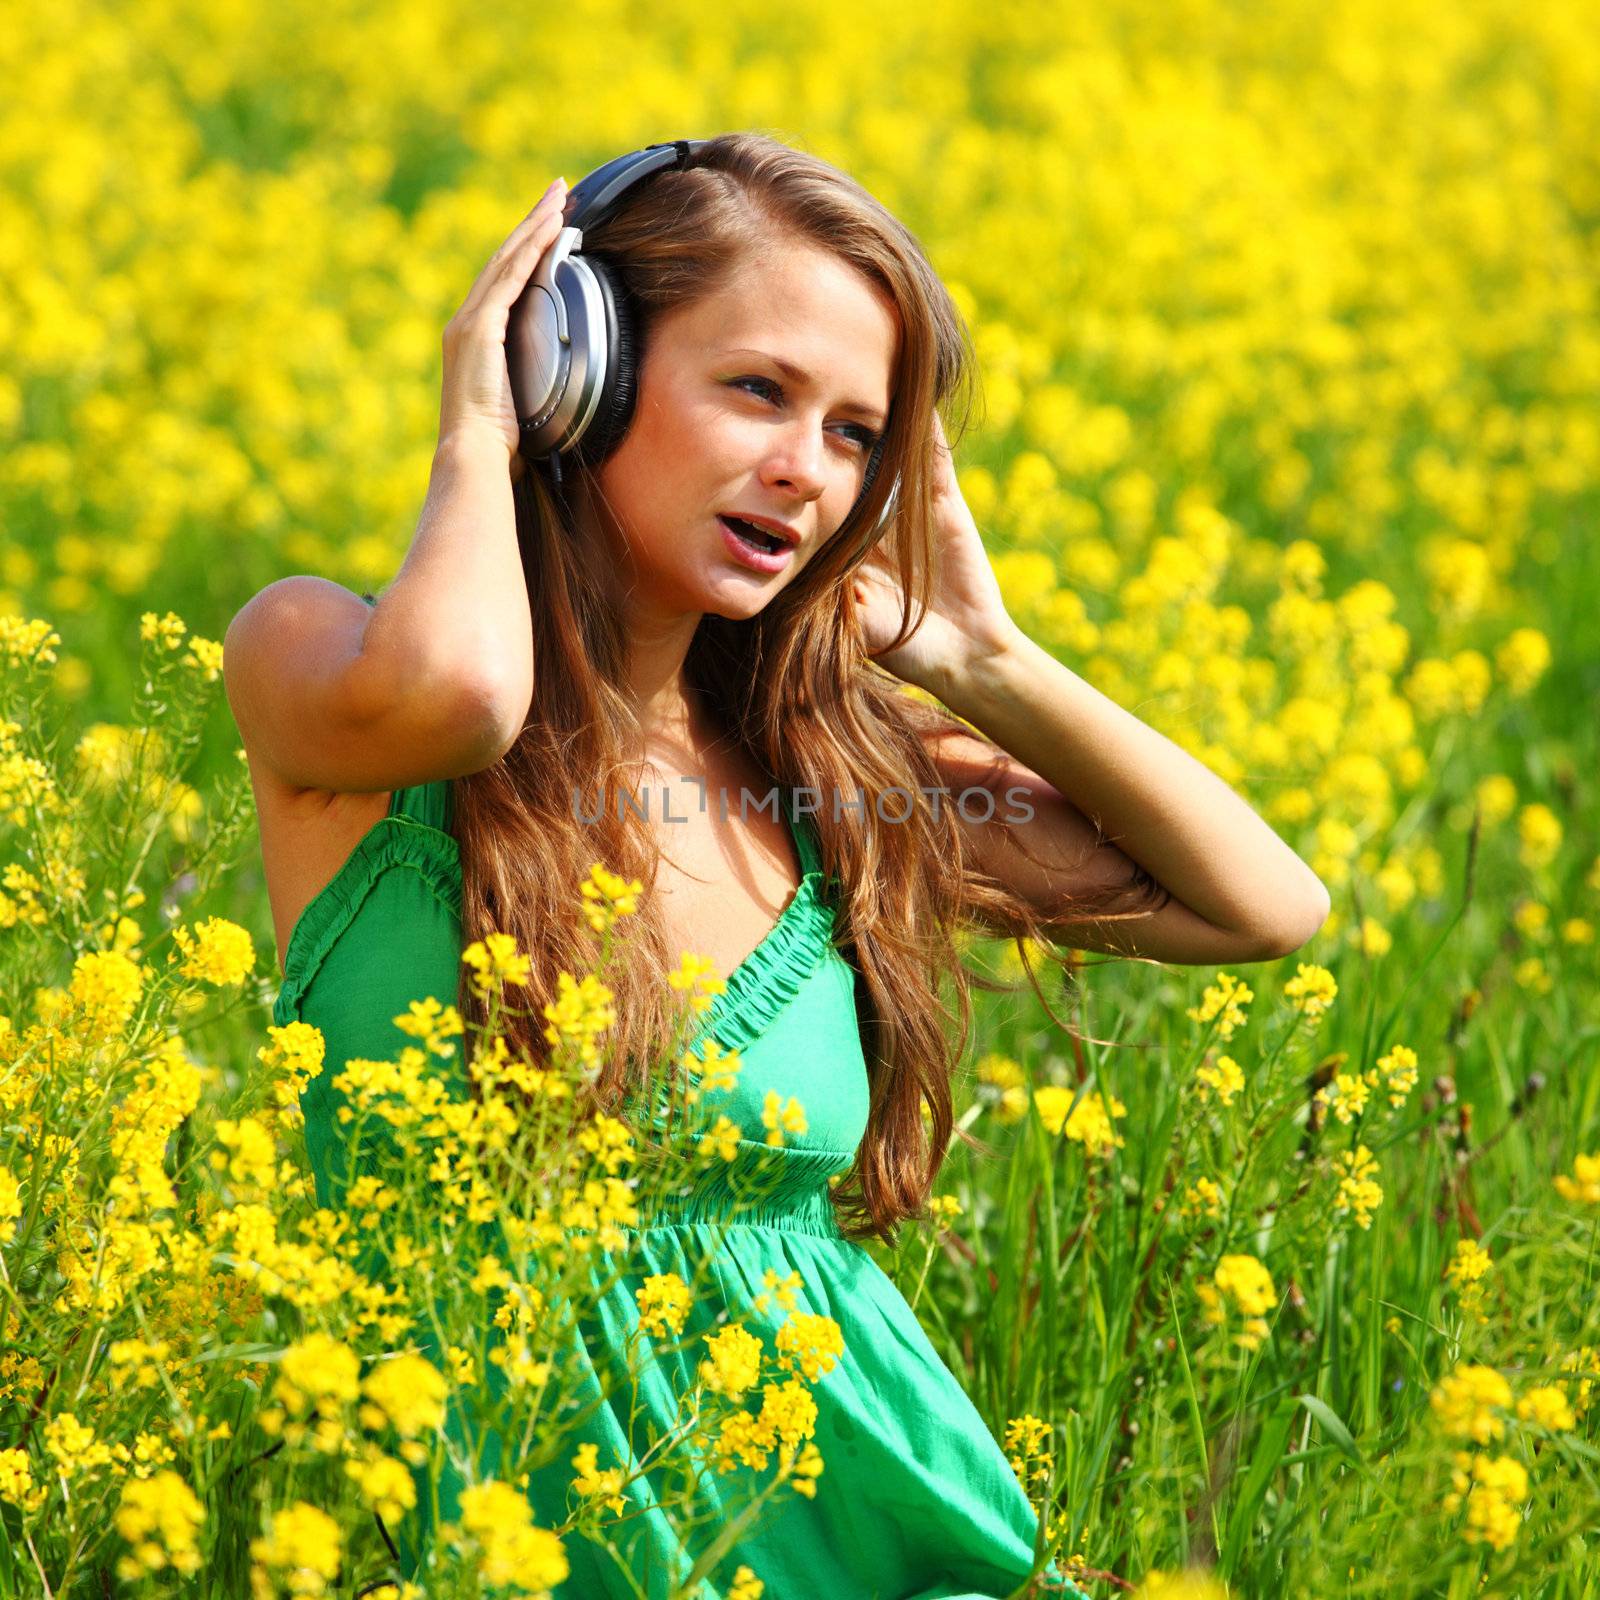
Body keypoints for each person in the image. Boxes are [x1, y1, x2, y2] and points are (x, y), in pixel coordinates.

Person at [224, 131, 1328, 1598]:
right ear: (580, 371)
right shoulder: (324, 670)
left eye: (858, 434)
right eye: (759, 391)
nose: (807, 471)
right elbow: (472, 698)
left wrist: (982, 658)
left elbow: (1261, 906)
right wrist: (477, 437)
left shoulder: (844, 787)